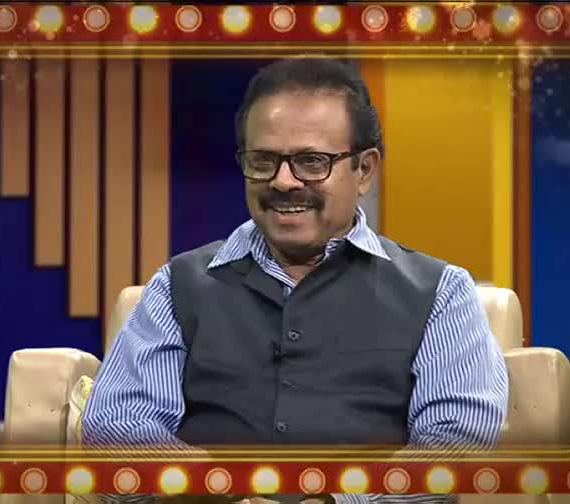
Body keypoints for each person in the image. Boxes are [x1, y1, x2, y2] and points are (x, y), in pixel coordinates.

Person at [82, 58, 509, 503]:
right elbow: (118, 425)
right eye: (263, 160)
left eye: (311, 161)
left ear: (364, 170)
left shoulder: (441, 291)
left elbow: (457, 442)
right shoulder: (177, 285)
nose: (284, 182)